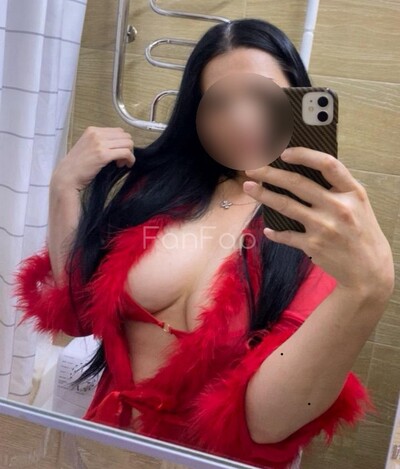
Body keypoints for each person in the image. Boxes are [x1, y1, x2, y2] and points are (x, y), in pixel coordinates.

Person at [13, 19, 394, 469]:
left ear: (299, 101)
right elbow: (78, 316)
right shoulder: (158, 191)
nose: (241, 118)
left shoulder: (321, 230)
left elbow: (265, 426)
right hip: (104, 448)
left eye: (262, 96)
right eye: (219, 102)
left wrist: (369, 289)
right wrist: (63, 189)